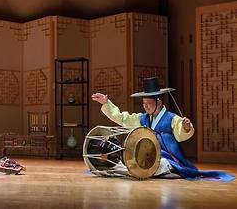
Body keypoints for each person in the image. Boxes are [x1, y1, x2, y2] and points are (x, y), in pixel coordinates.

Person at [92, 77, 234, 181]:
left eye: (148, 103)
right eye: (143, 103)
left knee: (157, 166)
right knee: (128, 164)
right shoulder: (143, 118)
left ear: (159, 102)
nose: (145, 106)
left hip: (168, 158)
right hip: (149, 156)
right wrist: (107, 103)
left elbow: (181, 133)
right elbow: (123, 118)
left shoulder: (171, 118)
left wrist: (186, 127)